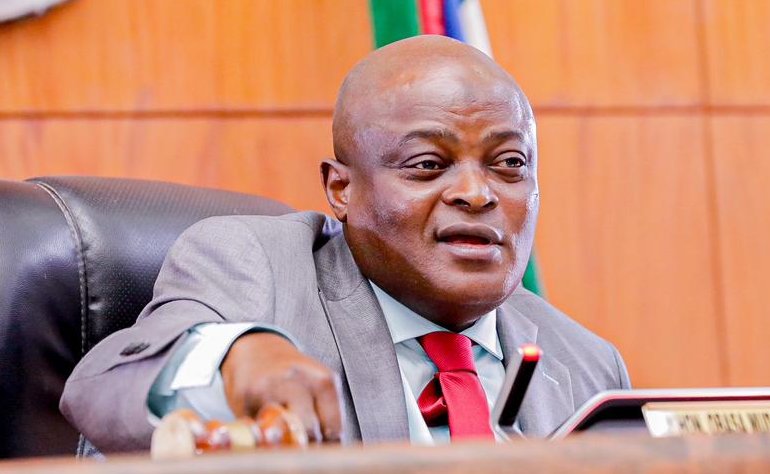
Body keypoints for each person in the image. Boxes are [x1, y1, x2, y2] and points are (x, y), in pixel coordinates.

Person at [61, 36, 629, 451]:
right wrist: (234, 358)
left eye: (510, 164)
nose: (477, 194)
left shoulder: (588, 363)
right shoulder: (258, 270)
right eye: (427, 165)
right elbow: (103, 385)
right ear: (341, 189)